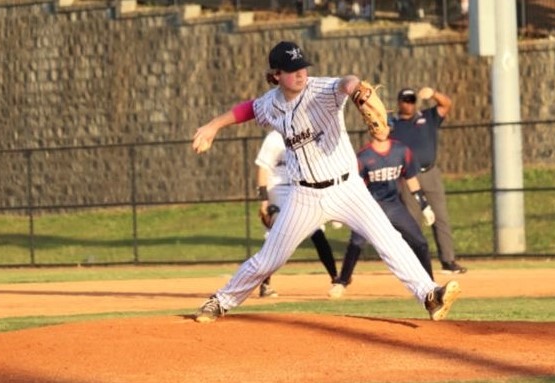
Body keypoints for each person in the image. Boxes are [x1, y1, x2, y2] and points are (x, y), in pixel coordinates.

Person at [191, 41, 460, 323]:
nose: (300, 73)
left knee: (389, 239)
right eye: (292, 69)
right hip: (303, 196)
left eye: (303, 67)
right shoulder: (271, 103)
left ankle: (429, 294)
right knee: (270, 259)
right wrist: (212, 127)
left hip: (347, 189)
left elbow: (346, 83)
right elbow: (247, 109)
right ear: (276, 75)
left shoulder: (321, 89)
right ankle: (220, 301)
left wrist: (356, 88)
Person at [328, 122, 436, 299]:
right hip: (369, 207)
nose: (381, 129)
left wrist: (424, 205)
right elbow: (353, 187)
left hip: (393, 205)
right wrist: (341, 212)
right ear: (370, 129)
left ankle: (430, 285)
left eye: (385, 125)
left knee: (420, 242)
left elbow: (411, 178)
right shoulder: (363, 157)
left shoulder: (401, 150)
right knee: (356, 243)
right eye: (377, 125)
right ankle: (342, 281)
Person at [389, 87, 468, 274]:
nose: (408, 104)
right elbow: (375, 129)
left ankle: (448, 261)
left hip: (430, 173)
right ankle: (415, 264)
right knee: (412, 221)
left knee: (440, 218)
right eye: (405, 100)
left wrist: (433, 94)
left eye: (411, 100)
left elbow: (446, 104)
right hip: (407, 177)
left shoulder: (427, 117)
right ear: (399, 102)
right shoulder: (392, 123)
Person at [255, 129, 338, 297]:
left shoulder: (306, 135)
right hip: (278, 190)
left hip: (301, 188)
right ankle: (265, 284)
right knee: (278, 236)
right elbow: (263, 170)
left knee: (317, 231)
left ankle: (337, 279)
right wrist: (264, 200)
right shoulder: (274, 138)